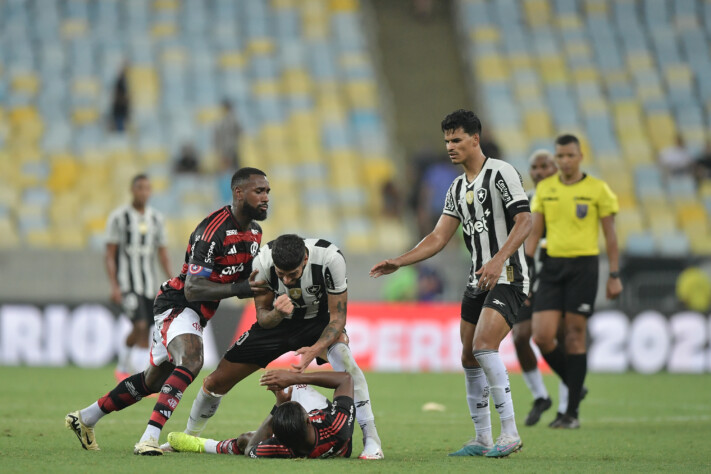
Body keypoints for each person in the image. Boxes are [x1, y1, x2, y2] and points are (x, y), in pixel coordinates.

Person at [65, 167, 272, 455]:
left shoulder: (254, 233)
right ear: (238, 193)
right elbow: (193, 289)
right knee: (192, 359)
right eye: (259, 191)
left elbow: (243, 277)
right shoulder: (212, 232)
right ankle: (149, 438)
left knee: (153, 381)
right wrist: (240, 290)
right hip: (178, 304)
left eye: (267, 192)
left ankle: (85, 418)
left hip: (199, 314)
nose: (265, 198)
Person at [370, 109, 531, 458]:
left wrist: (499, 258)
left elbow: (525, 221)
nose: (450, 146)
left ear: (475, 138)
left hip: (508, 276)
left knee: (485, 344)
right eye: (447, 140)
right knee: (469, 355)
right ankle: (482, 438)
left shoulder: (501, 173)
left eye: (456, 139)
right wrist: (400, 260)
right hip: (478, 279)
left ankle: (510, 433)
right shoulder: (457, 187)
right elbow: (438, 237)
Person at [178, 234, 384, 460]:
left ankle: (371, 440)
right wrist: (277, 313)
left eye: (292, 274)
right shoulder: (262, 262)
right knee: (215, 381)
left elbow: (338, 319)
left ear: (305, 259)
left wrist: (314, 350)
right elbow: (263, 317)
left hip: (318, 323)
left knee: (347, 364)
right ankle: (190, 436)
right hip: (277, 325)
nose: (286, 281)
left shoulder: (330, 259)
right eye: (280, 274)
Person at [526, 134, 622, 429]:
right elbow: (533, 233)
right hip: (553, 266)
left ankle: (572, 414)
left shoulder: (598, 190)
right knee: (542, 335)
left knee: (574, 336)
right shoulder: (546, 189)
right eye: (560, 156)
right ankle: (575, 384)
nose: (565, 161)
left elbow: (610, 235)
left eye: (570, 155)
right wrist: (526, 269)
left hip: (584, 266)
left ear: (580, 156)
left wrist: (614, 275)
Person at [167, 370, 356, 458]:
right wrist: (295, 377)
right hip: (325, 432)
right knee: (296, 385)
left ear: (278, 438)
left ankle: (202, 444)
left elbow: (250, 449)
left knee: (244, 439)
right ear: (308, 418)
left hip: (303, 436)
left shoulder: (280, 448)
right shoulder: (337, 426)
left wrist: (278, 405)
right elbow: (346, 378)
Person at [105, 174, 172, 381]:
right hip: (128, 283)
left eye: (147, 188)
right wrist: (115, 285)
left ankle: (135, 370)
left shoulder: (156, 219)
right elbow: (110, 254)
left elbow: (162, 254)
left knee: (148, 330)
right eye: (140, 188)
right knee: (140, 325)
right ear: (132, 190)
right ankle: (127, 367)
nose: (144, 192)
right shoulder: (119, 218)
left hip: (150, 285)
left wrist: (172, 280)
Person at [511, 150, 558, 426]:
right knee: (521, 336)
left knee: (556, 337)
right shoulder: (524, 203)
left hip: (556, 279)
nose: (539, 172)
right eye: (535, 167)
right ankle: (541, 395)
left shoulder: (565, 202)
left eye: (545, 166)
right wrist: (515, 279)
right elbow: (509, 246)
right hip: (528, 280)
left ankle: (569, 399)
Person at [213, 99, 242, 171]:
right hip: (229, 148)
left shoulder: (225, 120)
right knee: (231, 168)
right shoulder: (231, 119)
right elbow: (240, 131)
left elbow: (239, 131)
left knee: (229, 168)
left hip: (228, 149)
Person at [110, 61, 130, 132]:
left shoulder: (124, 81)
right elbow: (118, 96)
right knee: (120, 131)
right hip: (119, 110)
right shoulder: (120, 82)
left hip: (122, 110)